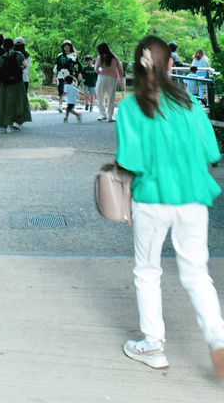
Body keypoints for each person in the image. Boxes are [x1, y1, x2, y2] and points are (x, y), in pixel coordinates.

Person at [116, 35, 224, 378]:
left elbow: (130, 161)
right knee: (196, 274)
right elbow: (211, 154)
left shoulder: (131, 109)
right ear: (171, 65)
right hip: (193, 198)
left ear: (138, 68)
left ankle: (154, 346)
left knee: (147, 270)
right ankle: (219, 341)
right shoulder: (191, 104)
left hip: (152, 199)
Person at [0, 38, 32, 132]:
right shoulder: (19, 55)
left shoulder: (3, 57)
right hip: (18, 83)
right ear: (12, 46)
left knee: (6, 103)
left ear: (3, 46)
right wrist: (19, 68)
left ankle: (7, 125)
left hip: (6, 84)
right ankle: (17, 122)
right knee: (19, 102)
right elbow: (26, 65)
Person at [94, 42, 124, 122]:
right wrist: (120, 79)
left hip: (102, 78)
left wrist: (102, 69)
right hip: (112, 79)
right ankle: (110, 116)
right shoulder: (114, 57)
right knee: (111, 97)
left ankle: (102, 114)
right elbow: (120, 69)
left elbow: (96, 70)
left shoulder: (100, 58)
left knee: (100, 97)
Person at [52, 40, 83, 113]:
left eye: (68, 45)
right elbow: (56, 66)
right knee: (61, 90)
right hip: (61, 75)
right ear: (63, 47)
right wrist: (54, 77)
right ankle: (60, 106)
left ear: (70, 46)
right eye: (65, 45)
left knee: (72, 90)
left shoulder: (74, 55)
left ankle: (72, 107)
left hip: (71, 75)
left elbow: (78, 65)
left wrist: (79, 74)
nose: (66, 47)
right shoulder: (60, 55)